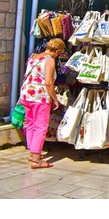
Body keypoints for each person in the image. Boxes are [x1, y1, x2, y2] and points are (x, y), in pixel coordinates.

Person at [19, 38, 65, 169]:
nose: (58, 56)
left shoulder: (33, 57)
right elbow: (49, 82)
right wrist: (55, 99)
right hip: (40, 96)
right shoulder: (49, 60)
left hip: (27, 94)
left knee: (31, 124)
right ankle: (36, 160)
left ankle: (32, 153)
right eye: (59, 53)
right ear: (56, 51)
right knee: (41, 126)